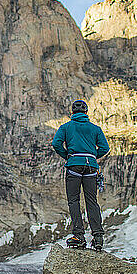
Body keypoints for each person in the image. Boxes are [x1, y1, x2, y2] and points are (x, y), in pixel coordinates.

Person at [51, 100, 110, 250]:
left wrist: (68, 156)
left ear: (72, 112)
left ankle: (79, 236)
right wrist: (92, 156)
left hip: (73, 167)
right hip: (91, 166)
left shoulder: (66, 127)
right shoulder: (95, 128)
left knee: (74, 201)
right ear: (86, 112)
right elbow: (105, 147)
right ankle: (98, 238)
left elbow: (56, 144)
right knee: (92, 201)